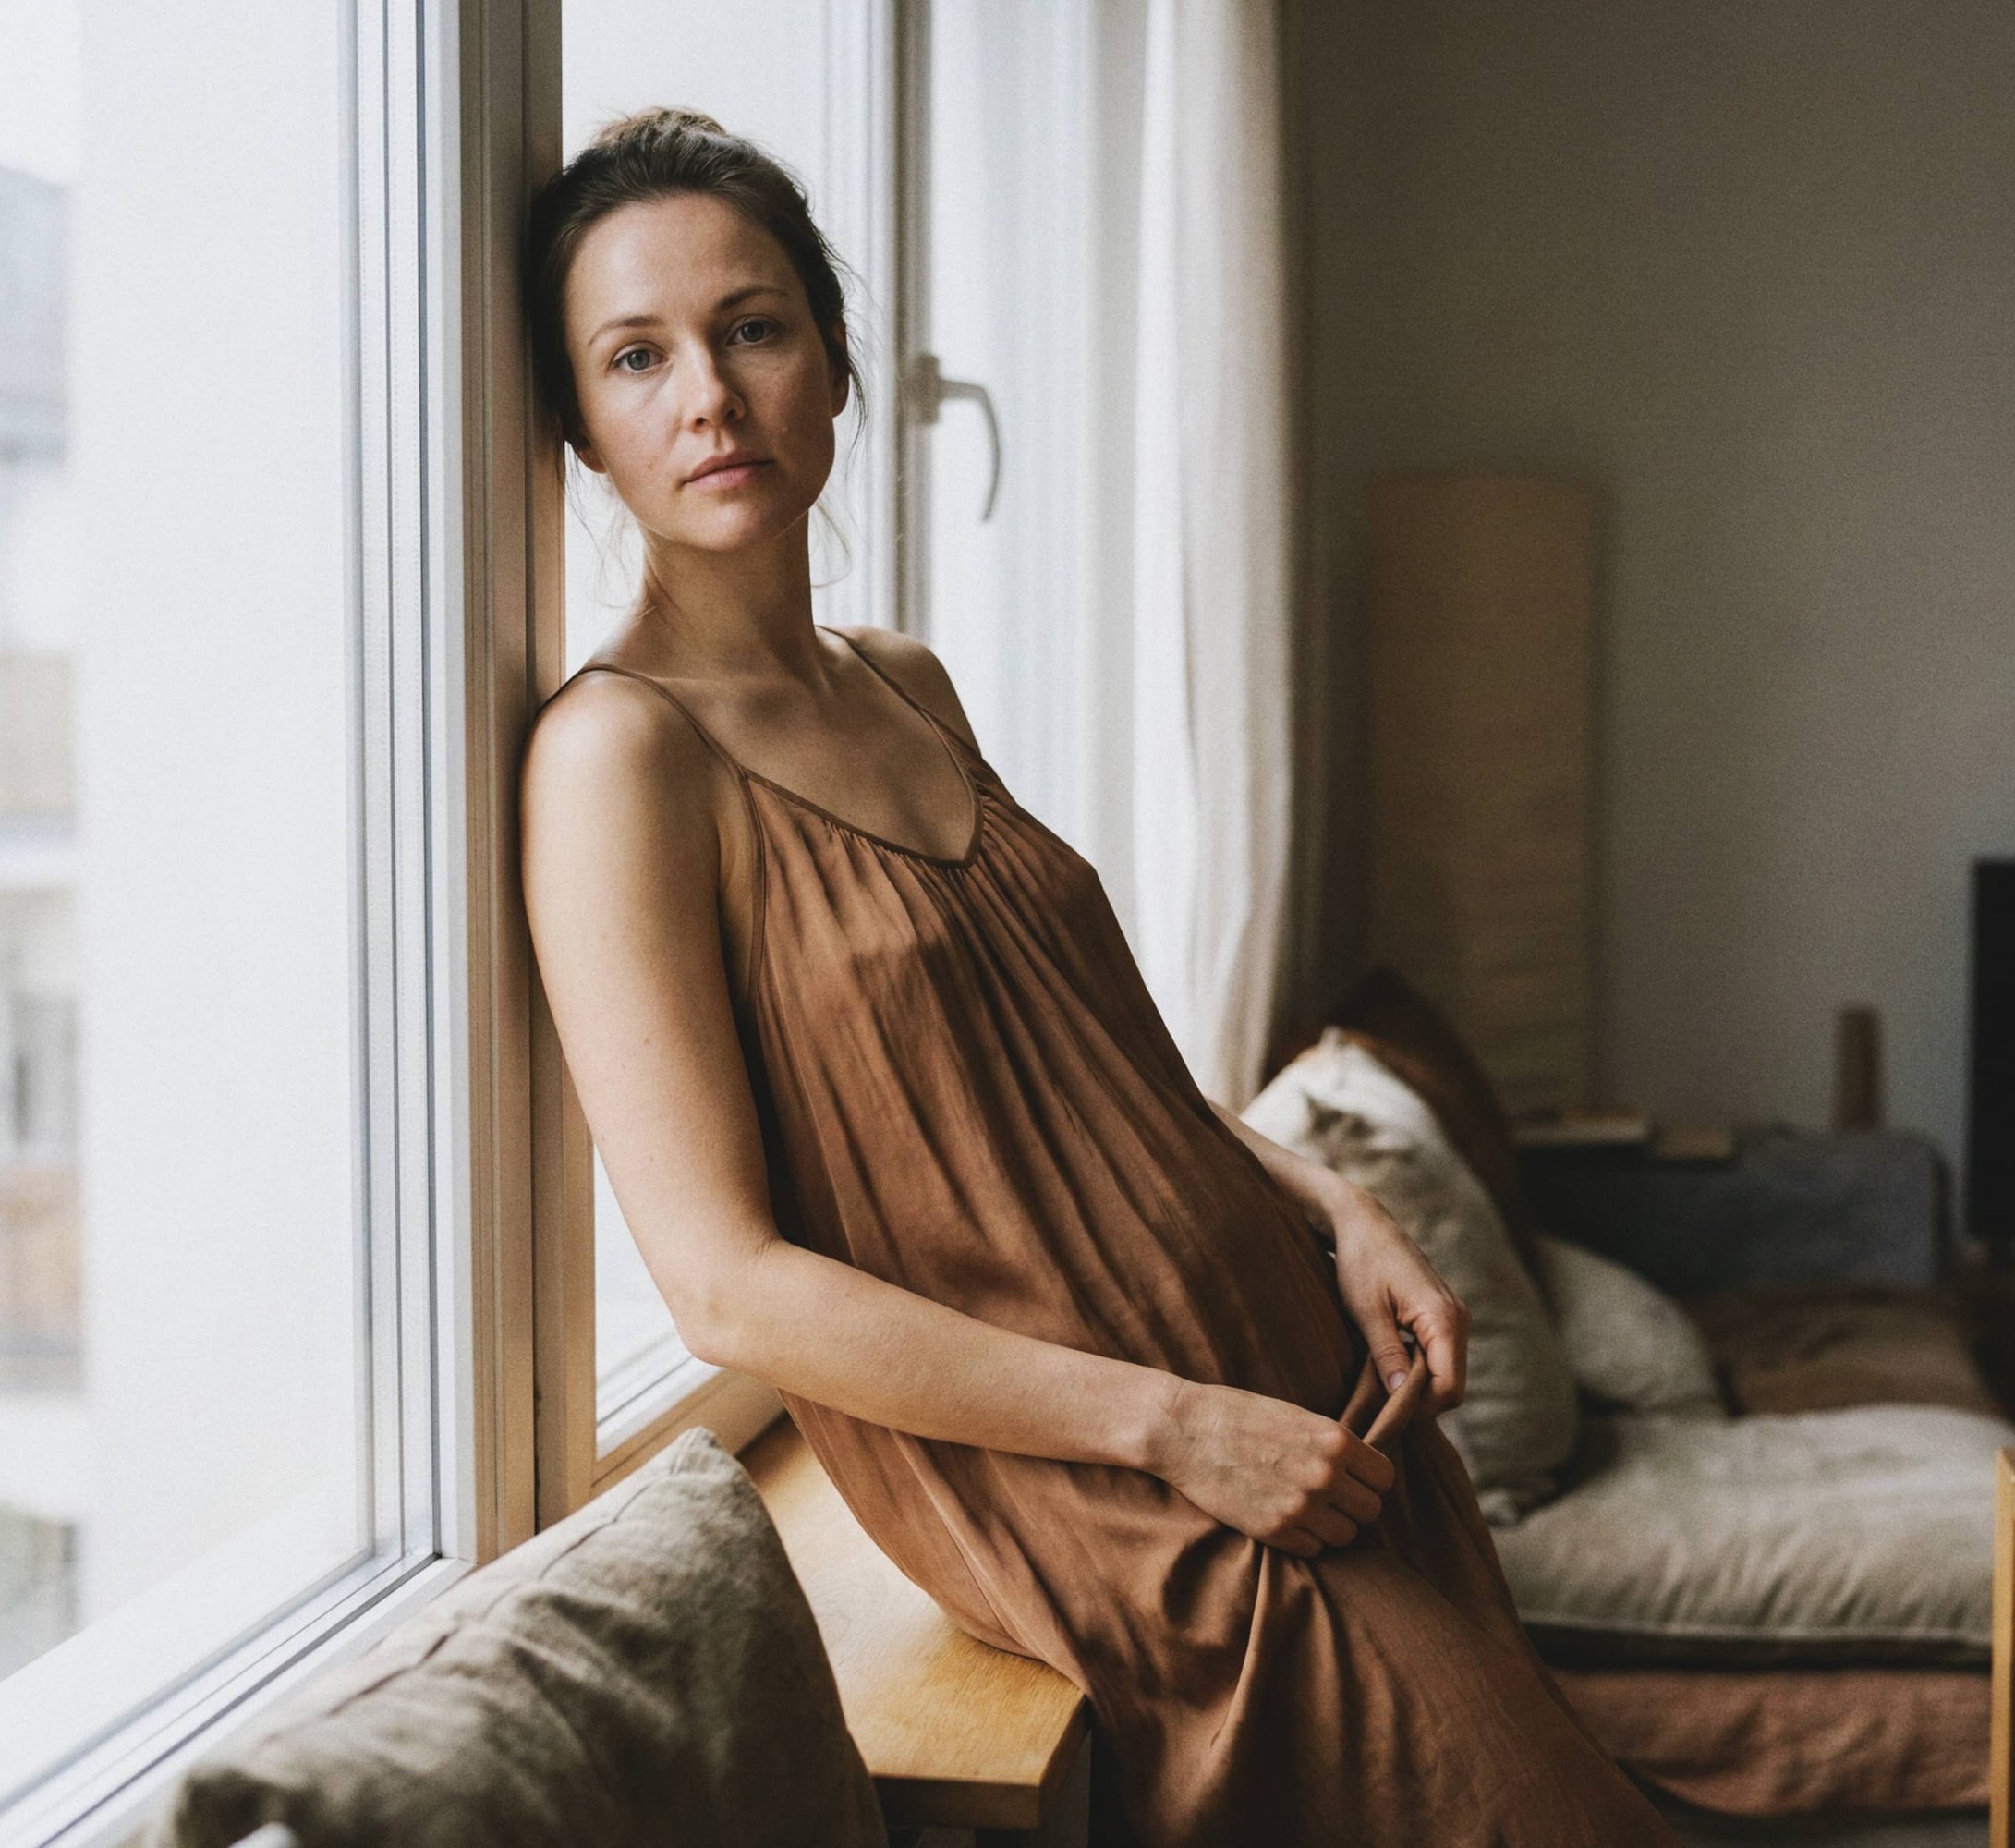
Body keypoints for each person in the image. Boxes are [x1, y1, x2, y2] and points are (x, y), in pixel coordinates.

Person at [519, 107, 1675, 1847]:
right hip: (1113, 1473)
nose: (710, 395)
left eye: (753, 328)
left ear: (833, 363)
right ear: (586, 433)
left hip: (1294, 1388)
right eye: (636, 356)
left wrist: (1333, 1215)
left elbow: (1098, 1080)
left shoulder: (901, 678)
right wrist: (1174, 1433)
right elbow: (729, 1291)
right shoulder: (618, 760)